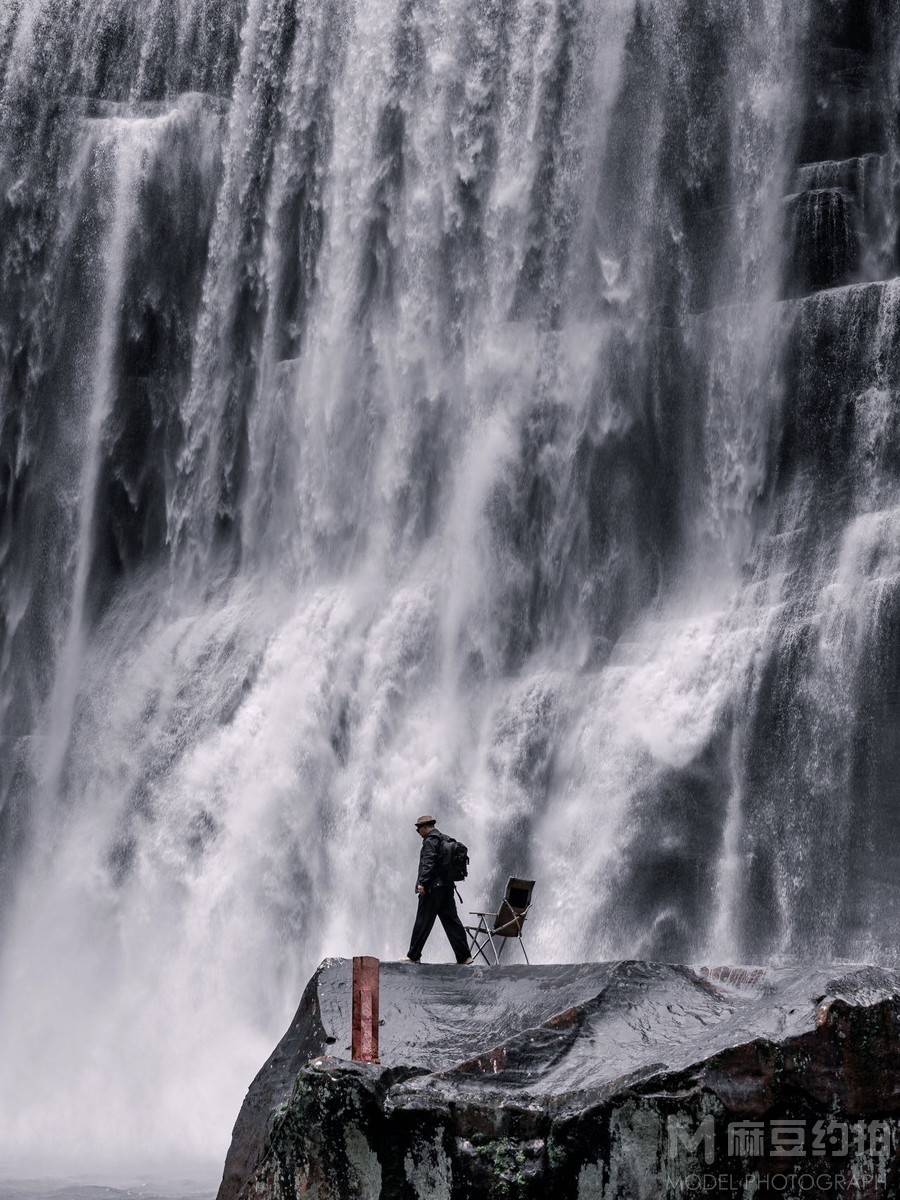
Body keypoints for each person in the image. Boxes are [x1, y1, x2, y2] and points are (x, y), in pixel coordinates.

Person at [405, 815, 472, 964]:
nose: (418, 832)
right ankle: (465, 957)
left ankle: (413, 956)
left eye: (418, 828)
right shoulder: (445, 838)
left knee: (423, 922)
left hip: (432, 889)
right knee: (452, 922)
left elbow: (428, 863)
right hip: (447, 888)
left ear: (425, 827)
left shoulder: (430, 841)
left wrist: (422, 883)